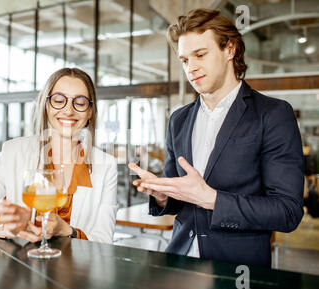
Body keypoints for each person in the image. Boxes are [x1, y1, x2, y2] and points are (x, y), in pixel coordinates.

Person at [129, 9, 304, 267]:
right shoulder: (178, 120)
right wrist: (163, 194)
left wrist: (210, 199)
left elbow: (287, 211)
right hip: (178, 262)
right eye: (185, 60)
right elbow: (179, 197)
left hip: (237, 271)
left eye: (200, 55)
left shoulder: (273, 114)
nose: (191, 68)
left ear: (230, 49)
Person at [0, 68, 118, 244]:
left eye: (81, 102)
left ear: (90, 112)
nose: (69, 111)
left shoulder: (106, 165)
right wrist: (5, 226)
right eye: (59, 100)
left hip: (77, 269)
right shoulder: (14, 152)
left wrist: (67, 230)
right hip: (23, 266)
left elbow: (103, 240)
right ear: (46, 106)